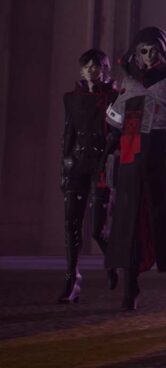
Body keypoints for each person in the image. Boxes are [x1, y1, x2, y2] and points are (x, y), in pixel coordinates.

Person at [104, 27, 166, 310]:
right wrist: (108, 146)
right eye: (143, 51)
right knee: (128, 219)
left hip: (160, 150)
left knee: (164, 210)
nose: (148, 56)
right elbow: (114, 120)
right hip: (131, 152)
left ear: (164, 53)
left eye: (154, 51)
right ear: (136, 54)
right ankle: (129, 286)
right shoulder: (130, 83)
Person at [57, 49, 119, 303]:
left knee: (96, 229)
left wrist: (111, 162)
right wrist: (64, 169)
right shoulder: (71, 98)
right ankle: (72, 277)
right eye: (87, 65)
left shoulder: (114, 96)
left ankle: (112, 263)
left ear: (104, 68)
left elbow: (117, 134)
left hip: (102, 166)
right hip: (77, 165)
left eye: (96, 65)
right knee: (71, 223)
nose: (91, 69)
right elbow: (68, 135)